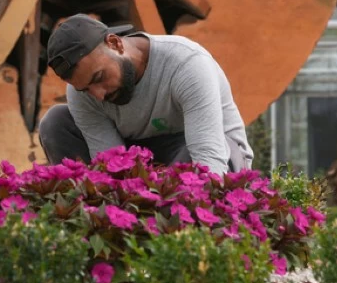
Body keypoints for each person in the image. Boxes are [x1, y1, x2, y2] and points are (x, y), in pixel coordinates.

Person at [37, 14, 253, 173]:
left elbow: (209, 159)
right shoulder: (83, 94)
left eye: (98, 78)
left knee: (193, 155)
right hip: (142, 158)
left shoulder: (186, 64)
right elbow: (112, 166)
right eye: (85, 89)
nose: (98, 95)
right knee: (56, 122)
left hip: (214, 150)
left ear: (115, 43)